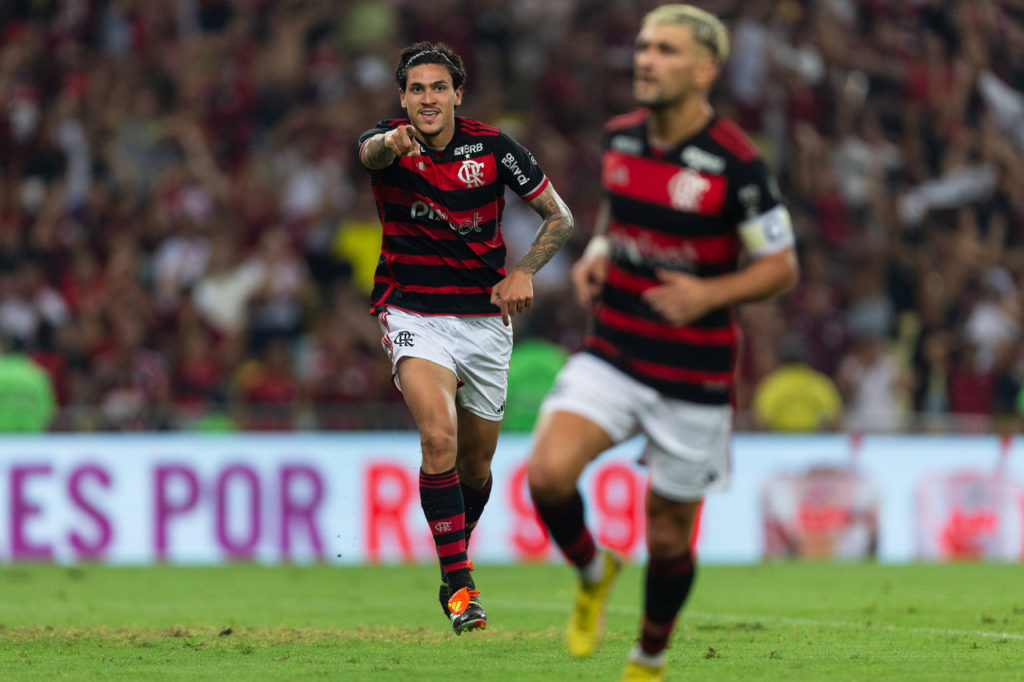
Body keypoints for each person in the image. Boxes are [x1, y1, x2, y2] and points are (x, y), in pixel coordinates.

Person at [525, 6, 799, 681]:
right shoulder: (621, 140)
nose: (646, 59)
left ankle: (647, 660)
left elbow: (782, 266)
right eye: (644, 47)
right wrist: (598, 248)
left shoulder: (737, 163)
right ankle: (594, 570)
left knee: (670, 533)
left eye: (666, 50)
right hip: (616, 346)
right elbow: (618, 207)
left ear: (704, 69)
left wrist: (709, 293)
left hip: (693, 373)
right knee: (547, 475)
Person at [358, 41, 574, 635]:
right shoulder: (388, 142)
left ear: (458, 94)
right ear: (402, 98)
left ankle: (451, 562)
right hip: (413, 315)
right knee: (438, 437)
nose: (427, 99)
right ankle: (461, 587)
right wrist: (388, 144)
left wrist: (524, 270)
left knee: (475, 468)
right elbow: (371, 154)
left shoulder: (495, 147)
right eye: (416, 89)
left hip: (484, 323)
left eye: (438, 88)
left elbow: (561, 216)